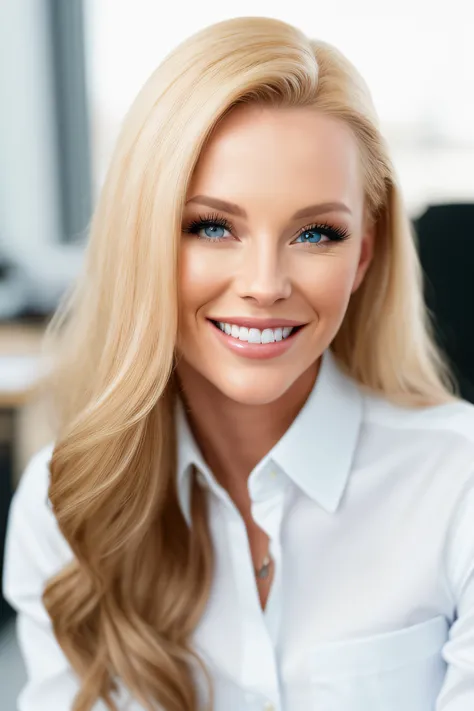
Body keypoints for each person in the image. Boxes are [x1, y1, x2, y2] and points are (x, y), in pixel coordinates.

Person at [2, 14, 474, 711]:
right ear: (144, 239)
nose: (264, 283)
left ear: (362, 257)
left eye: (316, 233)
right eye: (212, 226)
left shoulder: (457, 485)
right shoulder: (65, 504)